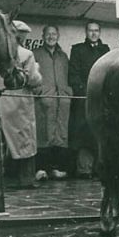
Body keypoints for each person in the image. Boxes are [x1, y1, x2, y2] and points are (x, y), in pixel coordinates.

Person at [0, 20, 42, 188]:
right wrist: (37, 71)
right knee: (24, 142)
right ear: (20, 36)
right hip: (19, 104)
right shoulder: (25, 54)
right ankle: (25, 180)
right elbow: (33, 80)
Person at [68, 22, 110, 178]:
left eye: (96, 31)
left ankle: (99, 168)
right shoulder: (78, 50)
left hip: (101, 99)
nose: (93, 33)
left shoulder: (105, 50)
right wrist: (84, 90)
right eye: (90, 31)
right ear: (86, 32)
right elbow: (73, 74)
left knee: (100, 133)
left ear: (100, 32)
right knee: (83, 134)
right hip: (84, 98)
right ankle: (84, 169)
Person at [32, 25, 72, 180]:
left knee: (60, 135)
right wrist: (39, 91)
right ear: (43, 36)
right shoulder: (35, 54)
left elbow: (68, 75)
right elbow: (31, 76)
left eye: (54, 34)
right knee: (43, 134)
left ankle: (57, 169)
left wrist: (68, 92)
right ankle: (41, 169)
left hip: (61, 101)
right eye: (48, 34)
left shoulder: (63, 56)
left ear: (58, 36)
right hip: (44, 100)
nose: (51, 37)